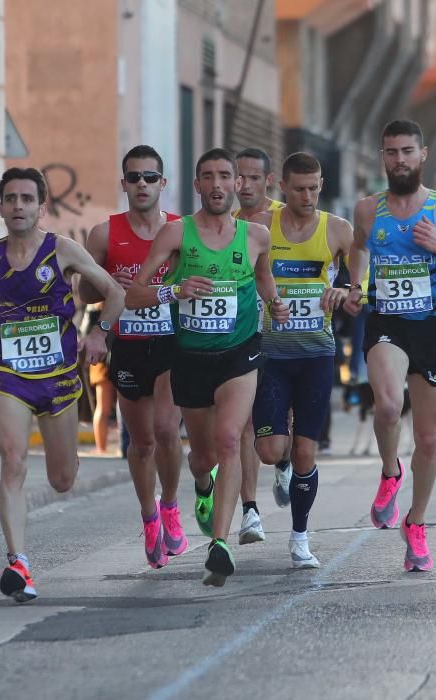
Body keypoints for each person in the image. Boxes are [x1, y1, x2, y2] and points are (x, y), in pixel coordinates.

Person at [0, 167, 124, 602]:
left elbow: (114, 292)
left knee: (61, 479)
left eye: (26, 199)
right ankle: (18, 562)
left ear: (41, 207)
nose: (18, 206)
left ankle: (68, 462)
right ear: (0, 206)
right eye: (11, 199)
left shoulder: (63, 250)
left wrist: (100, 333)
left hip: (58, 379)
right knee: (13, 461)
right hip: (10, 377)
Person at [125, 148, 289, 587]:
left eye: (225, 176)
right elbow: (135, 294)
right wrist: (175, 290)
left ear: (237, 184)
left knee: (231, 438)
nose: (217, 185)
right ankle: (202, 486)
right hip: (191, 356)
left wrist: (275, 303)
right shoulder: (176, 235)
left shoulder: (256, 235)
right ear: (196, 185)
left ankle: (219, 544)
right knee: (204, 457)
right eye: (208, 177)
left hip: (240, 352)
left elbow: (263, 278)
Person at [344, 119, 436, 572]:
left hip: (434, 328)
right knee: (387, 406)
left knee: (427, 437)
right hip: (387, 322)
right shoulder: (368, 209)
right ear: (382, 157)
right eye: (391, 152)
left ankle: (417, 522)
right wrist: (356, 285)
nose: (399, 159)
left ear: (423, 155)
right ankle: (390, 471)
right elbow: (359, 250)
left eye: (407, 151)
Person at [79, 144, 187, 569]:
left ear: (163, 183)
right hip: (127, 345)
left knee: (165, 430)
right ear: (123, 184)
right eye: (133, 177)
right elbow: (85, 292)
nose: (141, 184)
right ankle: (148, 516)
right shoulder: (104, 234)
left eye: (149, 177)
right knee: (140, 442)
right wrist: (110, 285)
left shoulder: (181, 230)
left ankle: (172, 507)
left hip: (171, 342)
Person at [250, 152, 353, 568]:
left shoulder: (338, 229)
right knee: (269, 450)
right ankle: (282, 463)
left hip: (316, 354)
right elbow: (245, 273)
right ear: (283, 189)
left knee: (309, 450)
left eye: (314, 188)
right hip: (271, 354)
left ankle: (299, 538)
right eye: (299, 189)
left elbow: (358, 279)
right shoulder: (260, 227)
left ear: (321, 185)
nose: (307, 196)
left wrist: (346, 291)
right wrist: (268, 299)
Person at [233, 147, 285, 545]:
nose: (244, 184)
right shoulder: (224, 225)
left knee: (281, 425)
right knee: (244, 424)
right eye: (239, 176)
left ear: (268, 180)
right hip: (242, 337)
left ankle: (285, 461)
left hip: (287, 336)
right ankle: (249, 510)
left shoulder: (287, 217)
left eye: (253, 177)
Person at [82, 302, 117, 453]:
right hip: (102, 355)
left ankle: (105, 448)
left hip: (116, 352)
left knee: (111, 406)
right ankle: (101, 448)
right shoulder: (100, 301)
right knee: (103, 406)